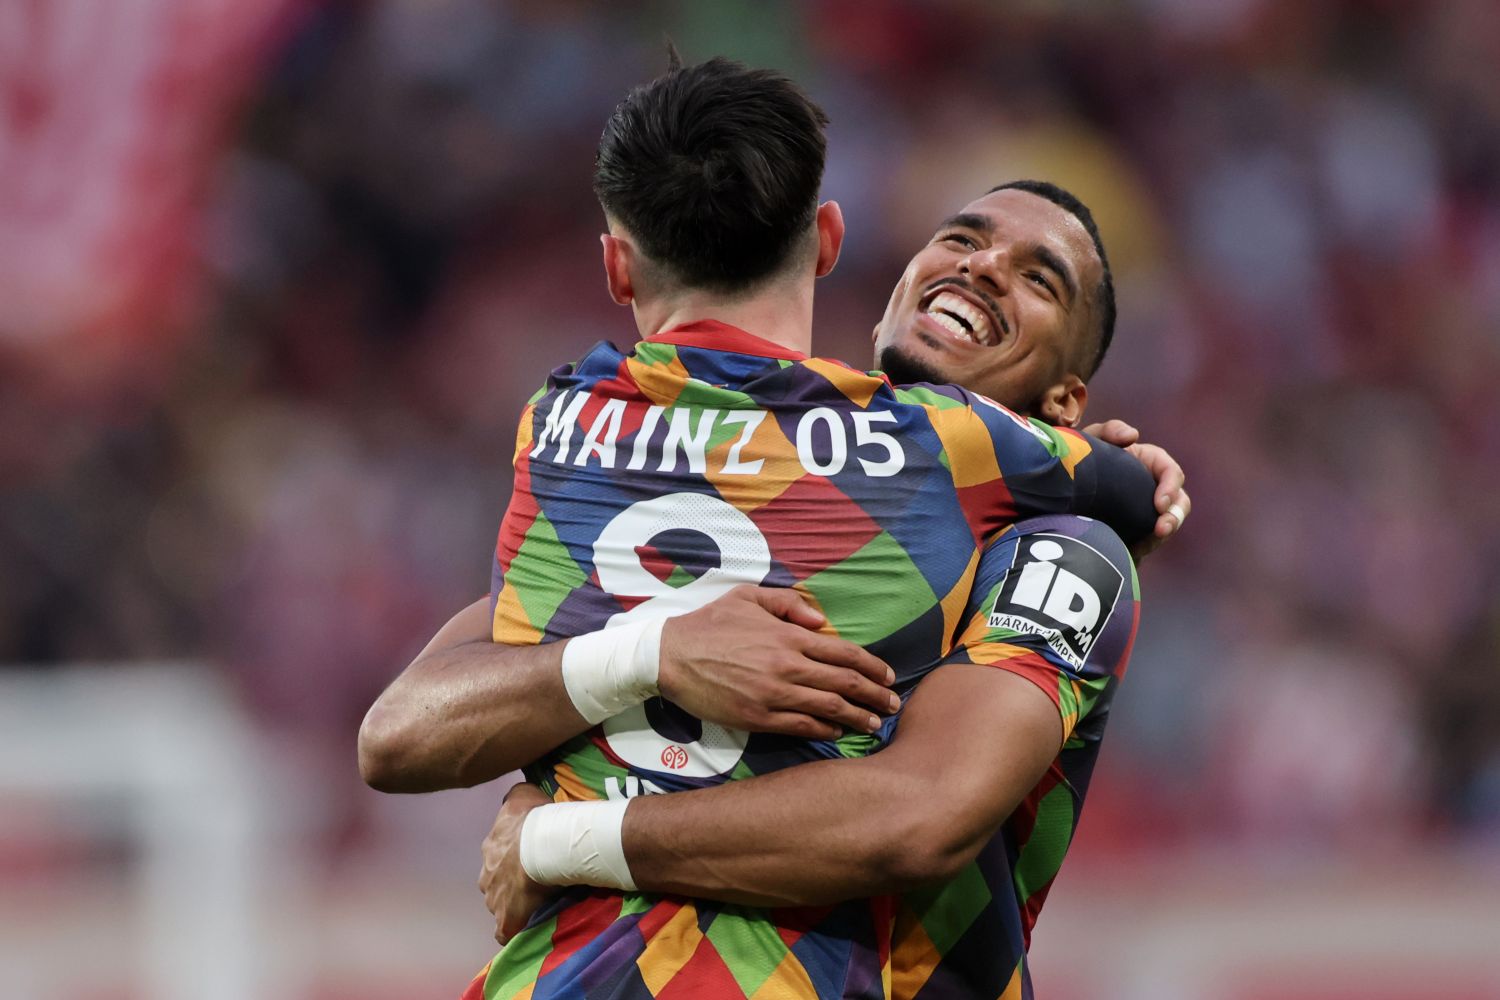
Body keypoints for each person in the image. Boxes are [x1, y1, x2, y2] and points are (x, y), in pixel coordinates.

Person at [357, 55, 1187, 1000]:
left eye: (1039, 278)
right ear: (843, 250)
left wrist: (561, 837)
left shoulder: (1063, 552)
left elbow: (920, 817)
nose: (982, 266)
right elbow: (400, 728)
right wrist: (655, 649)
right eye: (961, 237)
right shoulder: (694, 501)